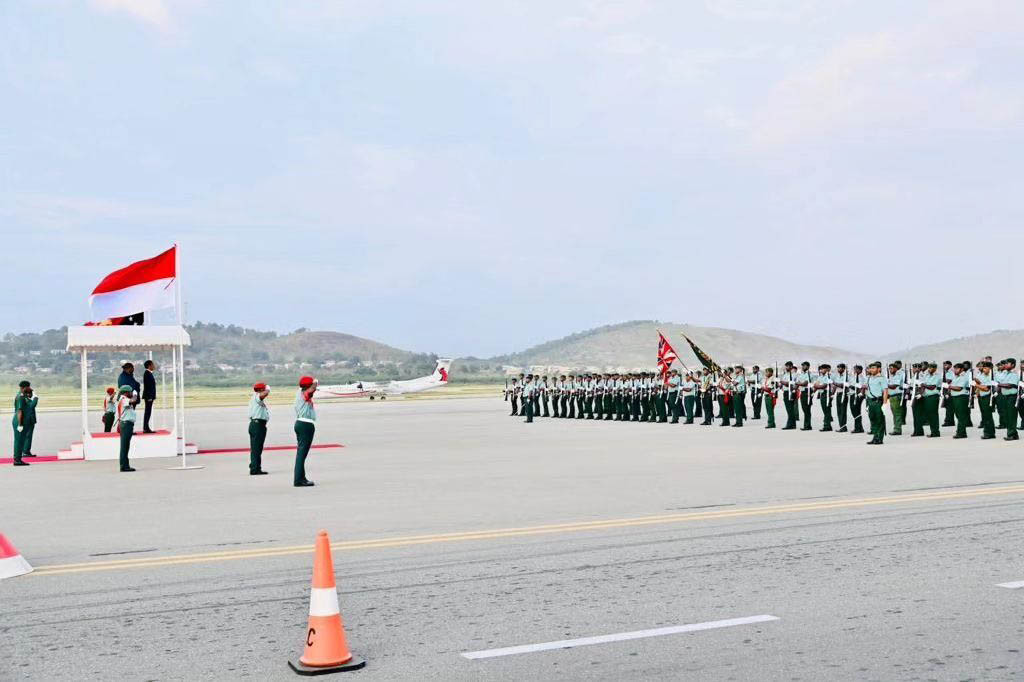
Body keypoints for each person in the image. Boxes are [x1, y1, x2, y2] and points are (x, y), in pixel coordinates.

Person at [294, 376, 318, 487]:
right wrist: (314, 382)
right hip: (305, 425)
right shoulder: (305, 394)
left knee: (301, 454)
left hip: (301, 424)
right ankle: (299, 480)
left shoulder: (300, 392)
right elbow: (311, 389)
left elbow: (310, 388)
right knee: (301, 455)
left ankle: (301, 478)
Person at [11, 381, 36, 466]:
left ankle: (18, 458)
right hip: (19, 420)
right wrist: (20, 424)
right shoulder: (20, 397)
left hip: (22, 420)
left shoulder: (24, 395)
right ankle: (17, 460)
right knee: (19, 441)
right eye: (28, 387)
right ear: (24, 387)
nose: (30, 388)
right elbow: (20, 411)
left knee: (21, 440)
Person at [116, 385, 139, 472]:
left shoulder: (123, 399)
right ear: (126, 392)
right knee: (124, 447)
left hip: (126, 424)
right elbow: (133, 400)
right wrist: (135, 394)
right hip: (126, 425)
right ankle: (124, 466)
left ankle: (125, 465)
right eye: (130, 392)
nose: (131, 393)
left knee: (125, 446)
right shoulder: (124, 399)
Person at [249, 382, 270, 475]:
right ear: (261, 390)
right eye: (264, 388)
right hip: (257, 425)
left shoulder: (256, 398)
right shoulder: (257, 396)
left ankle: (256, 467)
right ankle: (254, 469)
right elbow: (264, 394)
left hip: (258, 425)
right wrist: (268, 389)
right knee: (256, 448)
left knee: (257, 448)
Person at [866, 362, 889, 445]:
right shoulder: (869, 378)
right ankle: (875, 437)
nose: (871, 370)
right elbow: (867, 390)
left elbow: (885, 391)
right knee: (872, 420)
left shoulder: (882, 378)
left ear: (878, 369)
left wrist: (885, 404)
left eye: (873, 368)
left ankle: (880, 438)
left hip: (878, 401)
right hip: (870, 401)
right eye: (870, 368)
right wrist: (867, 403)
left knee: (879, 420)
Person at [996, 359, 1019, 441]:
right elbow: (999, 380)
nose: (1005, 365)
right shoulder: (1005, 373)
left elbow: (1010, 385)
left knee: (1011, 416)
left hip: (1012, 397)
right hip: (1005, 396)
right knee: (1007, 416)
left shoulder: (1014, 374)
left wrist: (999, 384)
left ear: (1012, 365)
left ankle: (1012, 434)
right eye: (1004, 363)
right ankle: (1013, 433)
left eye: (1007, 363)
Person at [973, 361, 997, 439]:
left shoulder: (991, 376)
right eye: (983, 368)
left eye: (986, 368)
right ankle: (989, 432)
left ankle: (989, 433)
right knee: (985, 416)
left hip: (988, 397)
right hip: (981, 397)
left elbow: (986, 388)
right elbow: (981, 383)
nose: (984, 369)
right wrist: (975, 380)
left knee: (988, 416)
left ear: (990, 369)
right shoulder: (983, 375)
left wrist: (976, 385)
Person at [949, 363, 971, 439]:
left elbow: (959, 388)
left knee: (961, 415)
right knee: (958, 415)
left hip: (961, 397)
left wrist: (949, 386)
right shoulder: (956, 376)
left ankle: (961, 433)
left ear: (961, 369)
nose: (955, 370)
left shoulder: (964, 376)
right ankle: (962, 431)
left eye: (957, 369)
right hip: (955, 397)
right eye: (954, 368)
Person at [921, 362, 941, 437]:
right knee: (929, 415)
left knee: (933, 415)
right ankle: (933, 431)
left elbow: (932, 387)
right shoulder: (927, 375)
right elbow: (923, 385)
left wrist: (924, 385)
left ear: (935, 368)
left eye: (931, 368)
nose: (929, 369)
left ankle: (935, 432)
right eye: (929, 367)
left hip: (933, 397)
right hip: (926, 397)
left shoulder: (937, 376)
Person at [886, 362, 905, 436]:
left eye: (891, 368)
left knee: (897, 413)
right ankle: (896, 428)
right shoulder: (892, 376)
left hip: (896, 396)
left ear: (896, 368)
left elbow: (894, 386)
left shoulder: (898, 376)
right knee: (894, 413)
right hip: (892, 396)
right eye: (889, 368)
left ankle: (897, 430)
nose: (890, 370)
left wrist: (886, 384)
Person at [814, 364, 832, 432]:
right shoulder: (820, 377)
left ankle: (827, 426)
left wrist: (818, 386)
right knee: (825, 410)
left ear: (827, 369)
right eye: (821, 369)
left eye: (823, 369)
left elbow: (823, 386)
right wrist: (818, 386)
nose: (821, 370)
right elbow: (816, 384)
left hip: (826, 394)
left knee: (827, 410)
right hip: (822, 394)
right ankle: (827, 425)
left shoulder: (828, 377)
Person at [849, 365, 866, 434]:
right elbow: (850, 385)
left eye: (856, 369)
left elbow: (861, 389)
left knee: (856, 411)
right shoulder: (853, 377)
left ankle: (857, 428)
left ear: (860, 370)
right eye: (854, 369)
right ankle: (859, 427)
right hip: (852, 395)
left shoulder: (862, 378)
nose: (854, 371)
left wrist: (852, 387)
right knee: (853, 410)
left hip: (858, 395)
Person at [141, 359, 157, 433]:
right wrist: (150, 397)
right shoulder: (147, 373)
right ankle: (145, 428)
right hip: (148, 396)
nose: (154, 366)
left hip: (149, 396)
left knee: (148, 412)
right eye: (152, 364)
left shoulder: (149, 373)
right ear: (149, 365)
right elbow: (148, 386)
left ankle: (146, 427)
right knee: (147, 412)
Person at [833, 363, 850, 432]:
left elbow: (845, 386)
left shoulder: (847, 377)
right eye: (838, 368)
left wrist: (837, 384)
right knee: (839, 411)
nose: (838, 369)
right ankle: (841, 426)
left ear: (843, 369)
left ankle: (843, 427)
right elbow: (835, 385)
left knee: (843, 411)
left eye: (840, 368)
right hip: (838, 394)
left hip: (844, 394)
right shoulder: (837, 376)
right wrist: (832, 394)